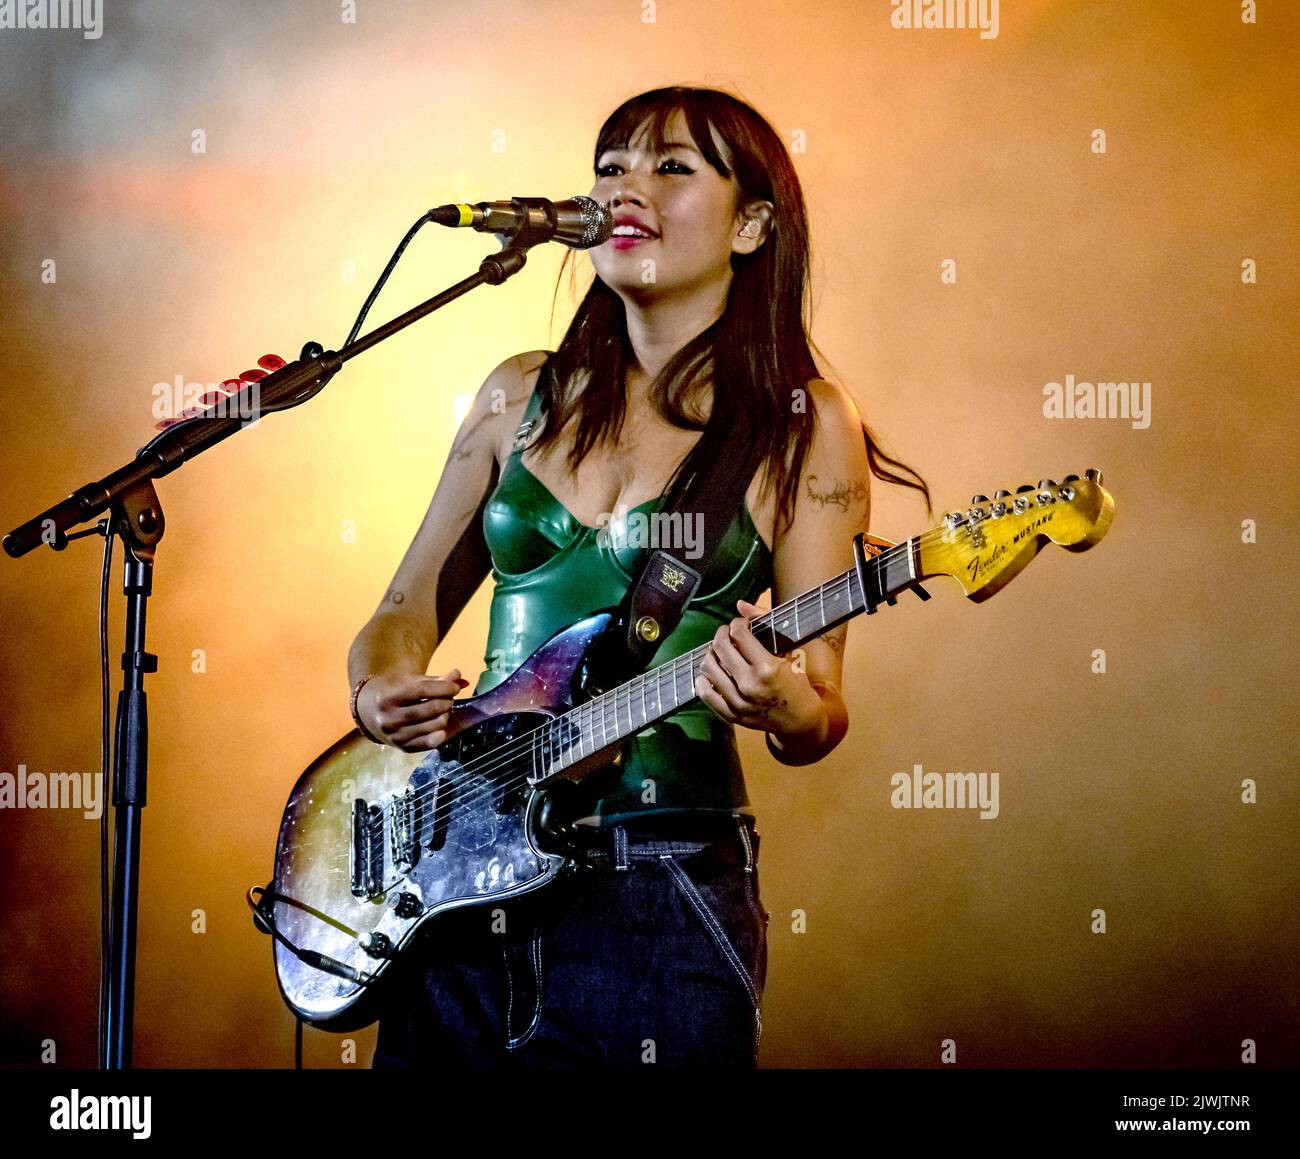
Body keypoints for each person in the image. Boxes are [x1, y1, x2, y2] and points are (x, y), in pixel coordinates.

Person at [347, 85, 931, 1068]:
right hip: (453, 878)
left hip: (655, 887)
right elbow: (401, 614)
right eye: (611, 165)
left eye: (671, 166)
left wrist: (782, 699)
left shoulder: (802, 423)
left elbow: (821, 708)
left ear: (752, 225)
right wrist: (377, 690)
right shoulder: (517, 394)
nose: (626, 187)